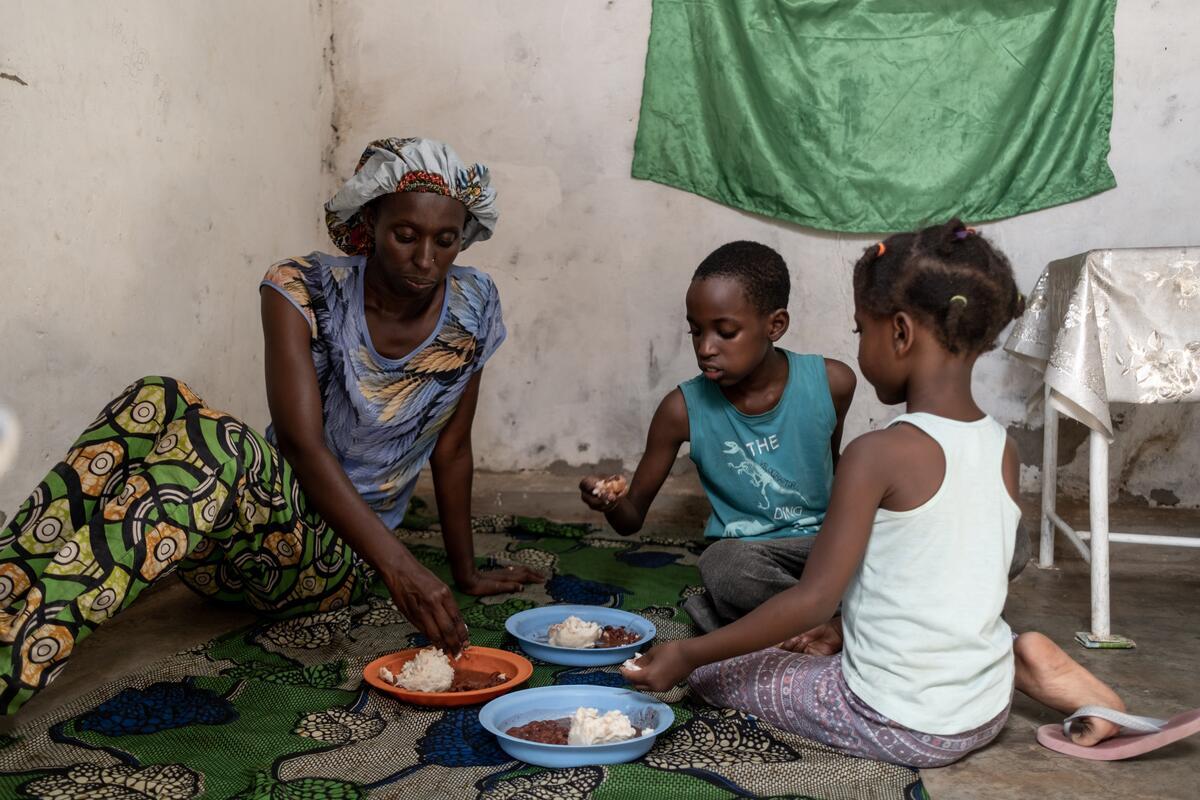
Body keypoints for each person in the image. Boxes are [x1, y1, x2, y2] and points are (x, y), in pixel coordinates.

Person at [0, 137, 541, 717]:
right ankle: (7, 588)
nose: (426, 259)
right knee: (156, 396)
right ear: (368, 224)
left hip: (335, 564)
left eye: (446, 239)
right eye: (404, 235)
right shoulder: (300, 287)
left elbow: (452, 449)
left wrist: (463, 571)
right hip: (238, 532)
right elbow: (302, 447)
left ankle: (11, 662)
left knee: (220, 447)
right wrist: (406, 569)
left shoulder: (473, 304)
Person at [622, 220, 1132, 767]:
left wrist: (686, 654)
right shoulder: (1002, 447)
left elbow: (811, 599)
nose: (858, 347)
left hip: (898, 721)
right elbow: (945, 579)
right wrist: (840, 625)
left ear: (901, 334)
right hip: (984, 706)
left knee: (712, 677)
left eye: (860, 330)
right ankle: (1018, 659)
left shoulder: (876, 454)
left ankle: (733, 651)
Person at [579, 241, 856, 633]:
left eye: (726, 332)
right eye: (696, 332)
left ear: (775, 325)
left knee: (894, 547)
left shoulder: (831, 383)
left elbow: (835, 469)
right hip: (751, 556)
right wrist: (610, 503)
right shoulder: (681, 411)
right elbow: (631, 521)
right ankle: (832, 623)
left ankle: (761, 625)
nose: (706, 348)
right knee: (721, 565)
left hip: (826, 546)